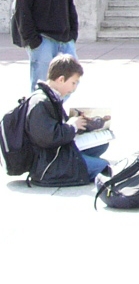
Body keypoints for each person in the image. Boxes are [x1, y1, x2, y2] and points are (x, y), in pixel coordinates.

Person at [24, 53, 110, 186]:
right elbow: (48, 139)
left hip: (57, 151)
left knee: (102, 144)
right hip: (48, 163)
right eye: (73, 83)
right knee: (103, 166)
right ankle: (80, 163)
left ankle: (82, 160)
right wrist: (72, 126)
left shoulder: (51, 96)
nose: (74, 88)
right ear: (61, 79)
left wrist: (78, 126)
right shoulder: (41, 102)